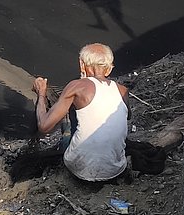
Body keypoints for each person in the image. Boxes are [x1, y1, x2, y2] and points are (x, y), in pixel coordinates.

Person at [31, 43, 129, 182]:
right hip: (115, 168)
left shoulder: (76, 86)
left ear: (82, 65)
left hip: (79, 169)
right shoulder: (123, 90)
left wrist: (41, 94)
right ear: (108, 69)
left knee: (68, 118)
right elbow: (127, 116)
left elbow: (44, 126)